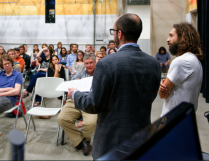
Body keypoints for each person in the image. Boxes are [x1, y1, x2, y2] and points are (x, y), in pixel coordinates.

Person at [67, 13, 161, 159]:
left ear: (120, 34)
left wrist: (75, 94)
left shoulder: (107, 63)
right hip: (142, 137)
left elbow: (94, 104)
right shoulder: (154, 63)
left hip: (111, 142)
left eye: (113, 31)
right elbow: (151, 95)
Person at [159, 22, 203, 116]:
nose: (167, 40)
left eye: (171, 36)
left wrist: (161, 89)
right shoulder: (195, 60)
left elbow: (162, 95)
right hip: (185, 118)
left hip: (171, 120)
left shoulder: (180, 62)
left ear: (182, 38)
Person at [57, 54, 97, 156]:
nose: (89, 65)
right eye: (87, 63)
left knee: (90, 123)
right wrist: (75, 84)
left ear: (95, 62)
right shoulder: (80, 74)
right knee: (62, 119)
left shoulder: (100, 75)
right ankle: (82, 141)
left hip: (90, 101)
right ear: (84, 64)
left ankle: (83, 141)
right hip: (75, 100)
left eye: (91, 63)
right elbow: (69, 86)